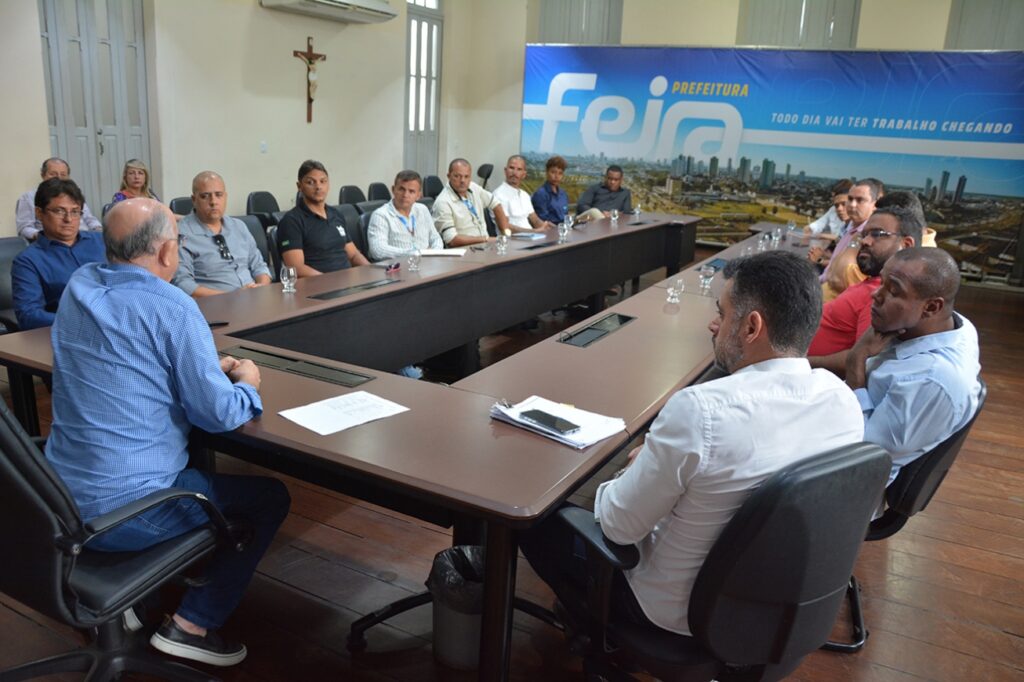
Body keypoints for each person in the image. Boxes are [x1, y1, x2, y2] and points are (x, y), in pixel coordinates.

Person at [519, 250, 864, 637]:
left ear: (752, 327)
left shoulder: (701, 412)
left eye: (723, 312)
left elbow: (617, 527)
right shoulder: (843, 403)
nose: (714, 325)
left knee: (535, 517)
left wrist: (635, 468)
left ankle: (592, 628)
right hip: (767, 609)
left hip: (671, 613)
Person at [44, 198, 290, 667]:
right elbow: (219, 415)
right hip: (127, 513)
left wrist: (189, 368)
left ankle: (137, 600)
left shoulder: (80, 286)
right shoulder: (172, 306)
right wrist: (247, 384)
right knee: (268, 498)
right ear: (165, 252)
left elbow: (127, 357)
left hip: (57, 501)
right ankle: (191, 626)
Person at [845, 247, 982, 485]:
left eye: (894, 291)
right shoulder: (953, 325)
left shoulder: (932, 381)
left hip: (844, 485)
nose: (876, 295)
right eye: (882, 282)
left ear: (931, 307)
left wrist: (857, 362)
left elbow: (861, 454)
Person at [808, 193, 925, 375]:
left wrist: (801, 362)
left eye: (877, 234)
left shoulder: (884, 296)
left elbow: (864, 360)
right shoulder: (874, 281)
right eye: (864, 234)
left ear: (906, 245)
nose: (865, 241)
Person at [11, 178, 106, 330]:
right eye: (59, 211)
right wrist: (82, 322)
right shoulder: (28, 261)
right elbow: (29, 316)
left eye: (75, 212)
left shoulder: (102, 241)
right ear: (39, 213)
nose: (68, 219)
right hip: (71, 335)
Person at [172, 171, 271, 297]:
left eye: (219, 195)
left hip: (254, 299)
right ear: (194, 200)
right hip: (215, 306)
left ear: (225, 196)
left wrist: (261, 287)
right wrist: (230, 298)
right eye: (205, 196)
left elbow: (259, 266)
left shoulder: (238, 226)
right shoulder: (181, 233)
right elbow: (183, 284)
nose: (213, 201)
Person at [276, 159, 369, 276]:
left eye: (323, 181)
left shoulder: (336, 215)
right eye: (310, 182)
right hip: (319, 287)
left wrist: (371, 270)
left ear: (328, 184)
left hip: (347, 282)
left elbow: (354, 255)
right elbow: (296, 268)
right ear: (299, 186)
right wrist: (330, 281)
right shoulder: (291, 221)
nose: (318, 186)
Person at [810, 178, 883, 284]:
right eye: (850, 199)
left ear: (875, 205)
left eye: (860, 200)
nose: (852, 205)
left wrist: (819, 261)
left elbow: (847, 280)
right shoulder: (851, 229)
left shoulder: (868, 237)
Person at [15, 157, 103, 241]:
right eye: (53, 174)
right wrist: (42, 236)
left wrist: (99, 230)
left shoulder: (74, 194)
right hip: (54, 241)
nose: (58, 178)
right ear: (43, 175)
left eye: (63, 174)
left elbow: (89, 219)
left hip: (84, 238)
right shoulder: (28, 197)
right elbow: (24, 228)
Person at [432, 158, 511, 247]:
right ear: (449, 176)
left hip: (484, 248)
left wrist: (505, 233)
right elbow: (452, 239)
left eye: (466, 176)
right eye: (457, 176)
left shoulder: (473, 187)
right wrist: (485, 239)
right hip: (463, 253)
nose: (462, 181)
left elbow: (495, 204)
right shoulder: (443, 202)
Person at [367, 170, 443, 261]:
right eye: (401, 189)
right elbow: (378, 250)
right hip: (397, 268)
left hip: (427, 264)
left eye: (411, 191)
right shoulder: (381, 215)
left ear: (419, 195)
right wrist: (414, 253)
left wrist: (433, 252)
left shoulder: (423, 210)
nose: (405, 195)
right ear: (393, 190)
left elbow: (436, 238)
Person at [490, 155, 554, 232]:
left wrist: (547, 227)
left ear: (524, 175)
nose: (514, 173)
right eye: (511, 168)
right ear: (505, 171)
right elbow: (505, 227)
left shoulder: (525, 195)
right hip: (511, 240)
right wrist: (533, 232)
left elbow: (535, 220)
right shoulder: (498, 195)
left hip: (531, 238)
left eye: (519, 169)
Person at [531, 155, 569, 225]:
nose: (556, 176)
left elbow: (566, 216)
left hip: (563, 229)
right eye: (553, 172)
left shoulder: (563, 194)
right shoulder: (540, 194)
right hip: (549, 231)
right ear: (547, 172)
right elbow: (544, 220)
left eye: (560, 173)